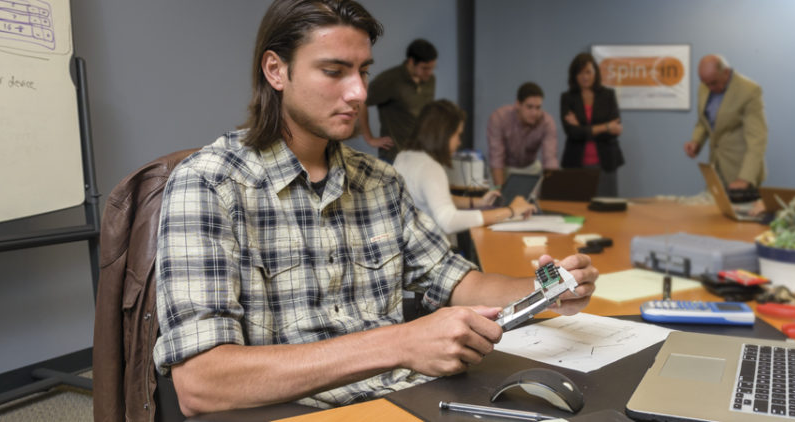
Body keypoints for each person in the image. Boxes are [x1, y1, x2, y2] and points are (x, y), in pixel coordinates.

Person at [153, 0, 597, 415]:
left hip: (410, 397)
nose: (359, 92)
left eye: (363, 72)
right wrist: (401, 343)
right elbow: (201, 383)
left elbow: (458, 280)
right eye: (334, 71)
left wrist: (549, 291)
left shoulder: (380, 181)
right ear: (276, 70)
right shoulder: (208, 184)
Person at [396, 99, 536, 234]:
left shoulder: (404, 156)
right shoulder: (430, 168)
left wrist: (478, 202)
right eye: (457, 135)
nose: (459, 142)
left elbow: (436, 198)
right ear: (444, 134)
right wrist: (510, 211)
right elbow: (449, 221)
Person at [684, 54, 767, 189]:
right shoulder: (704, 87)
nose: (709, 87)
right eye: (705, 83)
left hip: (740, 171)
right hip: (715, 169)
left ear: (726, 72)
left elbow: (757, 139)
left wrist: (744, 178)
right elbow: (704, 121)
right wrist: (696, 141)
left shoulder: (749, 91)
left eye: (713, 83)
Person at [358, 38, 437, 163]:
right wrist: (370, 139)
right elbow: (361, 102)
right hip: (394, 157)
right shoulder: (390, 80)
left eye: (432, 68)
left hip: (420, 156)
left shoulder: (430, 80)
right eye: (425, 68)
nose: (429, 73)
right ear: (411, 62)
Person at [560, 53, 624, 197]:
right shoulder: (567, 98)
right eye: (580, 73)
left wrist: (582, 127)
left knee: (608, 209)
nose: (585, 77)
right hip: (576, 164)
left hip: (606, 163)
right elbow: (572, 133)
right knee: (577, 208)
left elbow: (615, 129)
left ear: (595, 72)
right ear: (574, 75)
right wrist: (605, 126)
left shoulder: (608, 95)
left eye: (588, 72)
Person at [486, 82, 559, 188]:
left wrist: (553, 190)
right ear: (517, 105)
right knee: (497, 199)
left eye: (538, 107)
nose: (534, 113)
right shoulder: (499, 118)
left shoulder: (547, 122)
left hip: (531, 167)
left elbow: (550, 159)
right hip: (505, 168)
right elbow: (496, 159)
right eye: (529, 107)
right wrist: (499, 192)